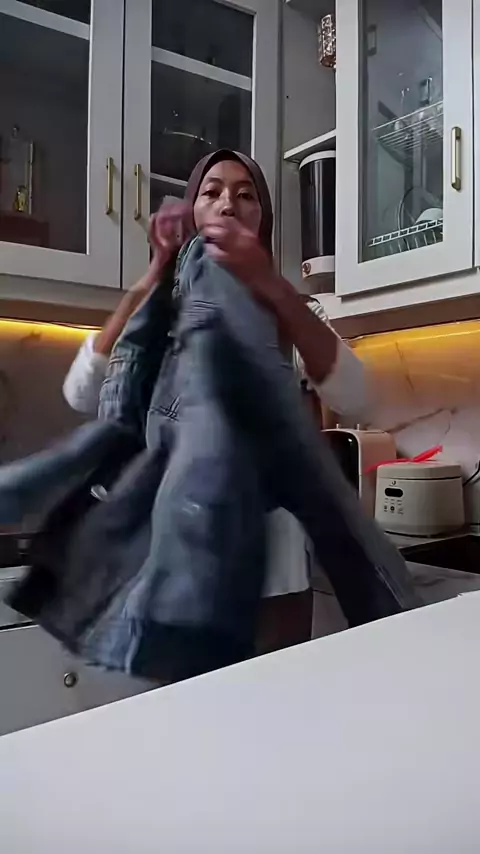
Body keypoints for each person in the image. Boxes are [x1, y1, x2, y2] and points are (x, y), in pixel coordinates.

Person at [63, 149, 370, 655]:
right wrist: (147, 287)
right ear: (193, 214)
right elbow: (82, 393)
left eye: (246, 195)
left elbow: (356, 398)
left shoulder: (293, 311)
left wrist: (275, 291)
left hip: (273, 576)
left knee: (275, 701)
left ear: (262, 219)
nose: (228, 204)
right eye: (212, 192)